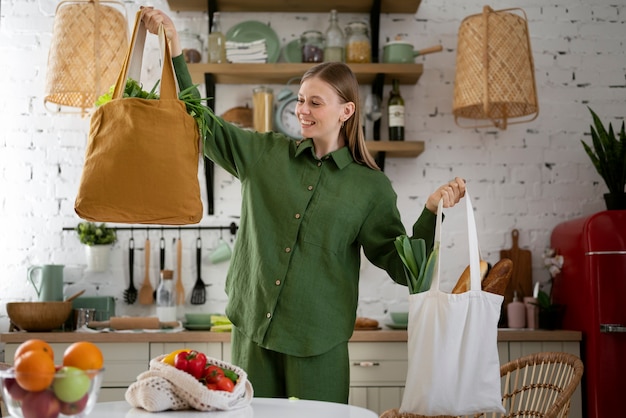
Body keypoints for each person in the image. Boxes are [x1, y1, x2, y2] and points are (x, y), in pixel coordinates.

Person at [141, 7, 466, 404]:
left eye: (315, 103)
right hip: (252, 335)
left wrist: (431, 212)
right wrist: (174, 49)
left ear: (346, 111)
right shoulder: (266, 155)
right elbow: (202, 124)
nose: (301, 111)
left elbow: (403, 269)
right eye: (300, 100)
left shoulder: (371, 188)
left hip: (319, 345)